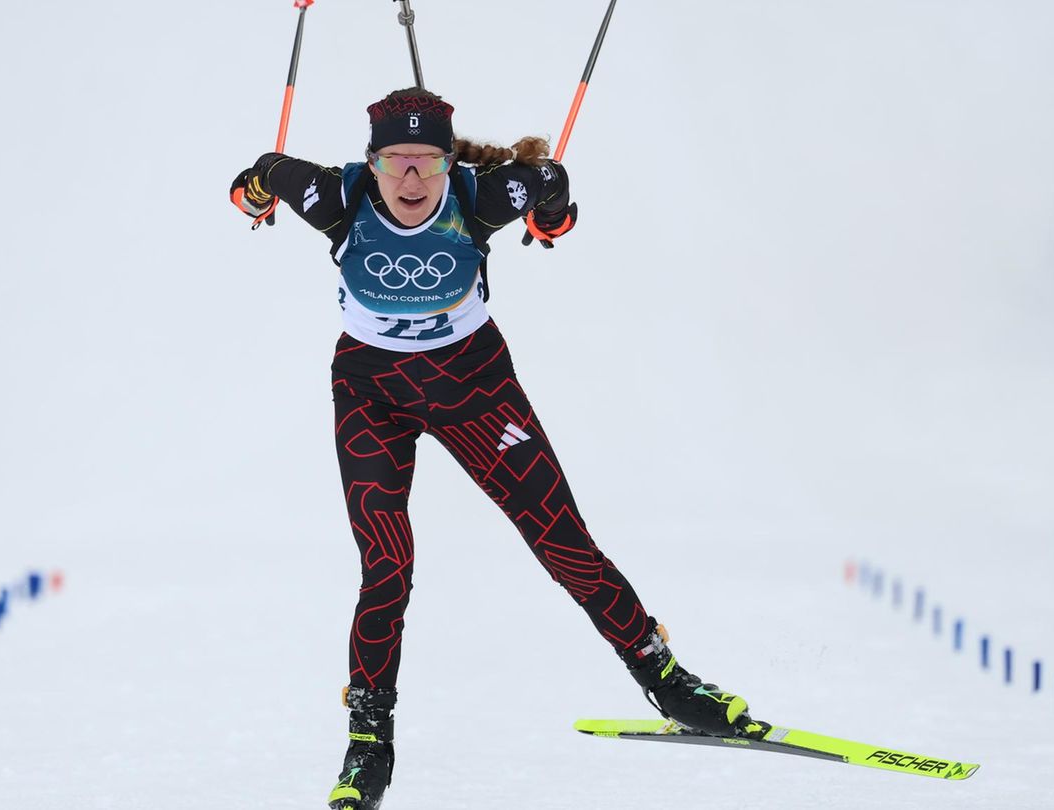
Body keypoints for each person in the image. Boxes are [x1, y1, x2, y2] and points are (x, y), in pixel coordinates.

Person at [230, 87, 765, 810]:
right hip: (371, 392)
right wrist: (252, 197)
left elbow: (551, 183)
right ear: (372, 162)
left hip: (474, 387)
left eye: (426, 162)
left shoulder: (481, 196)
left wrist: (552, 220)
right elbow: (262, 170)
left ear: (450, 163)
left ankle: (667, 682)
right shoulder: (332, 196)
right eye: (395, 163)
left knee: (562, 539)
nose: (412, 181)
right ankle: (368, 740)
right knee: (386, 563)